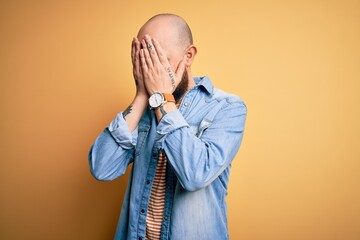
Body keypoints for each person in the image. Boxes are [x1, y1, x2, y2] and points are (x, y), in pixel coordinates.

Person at [88, 13, 247, 240]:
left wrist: (162, 98)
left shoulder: (227, 108)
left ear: (189, 55)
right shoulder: (145, 108)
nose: (152, 73)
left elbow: (195, 174)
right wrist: (142, 95)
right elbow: (101, 168)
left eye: (159, 62)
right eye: (145, 62)